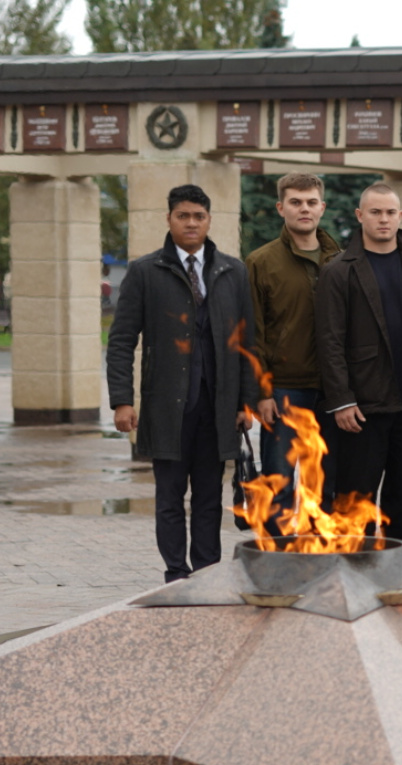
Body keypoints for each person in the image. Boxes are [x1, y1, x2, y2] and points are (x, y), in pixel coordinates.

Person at [107, 184, 259, 582]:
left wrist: (246, 402)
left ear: (209, 220)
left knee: (209, 498)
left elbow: (248, 343)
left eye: (198, 216)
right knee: (170, 497)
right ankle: (175, 573)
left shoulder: (233, 271)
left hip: (217, 407)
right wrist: (122, 400)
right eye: (183, 216)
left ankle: (207, 574)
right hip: (167, 407)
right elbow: (121, 340)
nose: (191, 223)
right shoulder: (145, 271)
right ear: (170, 219)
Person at [315, 182, 402, 547]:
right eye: (375, 212)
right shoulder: (338, 271)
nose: (384, 219)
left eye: (390, 212)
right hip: (361, 410)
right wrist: (342, 400)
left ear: (401, 216)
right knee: (354, 504)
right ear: (360, 216)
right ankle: (352, 574)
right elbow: (329, 341)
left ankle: (398, 574)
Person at [245, 172, 342, 520]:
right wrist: (261, 393)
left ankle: (322, 550)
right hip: (283, 390)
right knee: (279, 482)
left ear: (322, 207)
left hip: (334, 391)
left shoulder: (341, 260)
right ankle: (279, 552)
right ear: (280, 207)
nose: (305, 209)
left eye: (311, 202)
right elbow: (252, 333)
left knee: (326, 484)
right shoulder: (261, 262)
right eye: (296, 202)